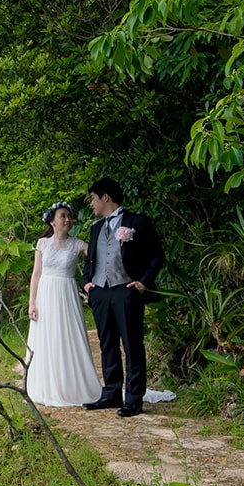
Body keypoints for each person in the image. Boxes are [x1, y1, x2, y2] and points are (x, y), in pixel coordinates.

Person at [81, 177, 165, 417]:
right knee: (107, 343)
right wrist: (88, 283)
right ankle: (111, 394)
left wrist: (143, 283)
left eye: (93, 198)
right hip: (100, 292)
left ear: (105, 196)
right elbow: (91, 260)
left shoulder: (137, 222)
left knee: (132, 345)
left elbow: (156, 255)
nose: (92, 204)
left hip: (127, 290)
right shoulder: (96, 227)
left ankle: (134, 399)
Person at [24, 201, 102, 407]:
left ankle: (72, 385)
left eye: (69, 216)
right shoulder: (42, 244)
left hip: (66, 293)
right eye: (62, 216)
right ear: (52, 220)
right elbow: (36, 274)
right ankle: (48, 385)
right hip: (46, 294)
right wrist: (32, 302)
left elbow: (99, 254)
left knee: (67, 335)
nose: (67, 220)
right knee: (47, 338)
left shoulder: (78, 244)